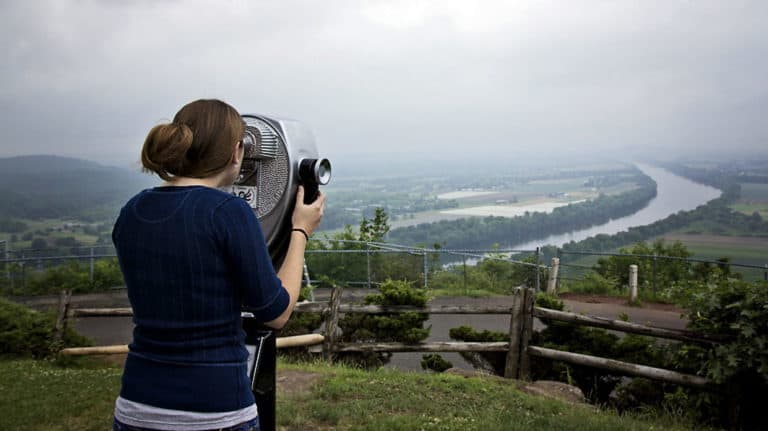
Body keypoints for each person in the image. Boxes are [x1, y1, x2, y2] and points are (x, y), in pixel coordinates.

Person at [111, 99, 324, 431]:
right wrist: (300, 230)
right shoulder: (227, 212)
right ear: (237, 152)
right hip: (213, 410)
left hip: (135, 406)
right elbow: (277, 312)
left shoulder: (132, 211)